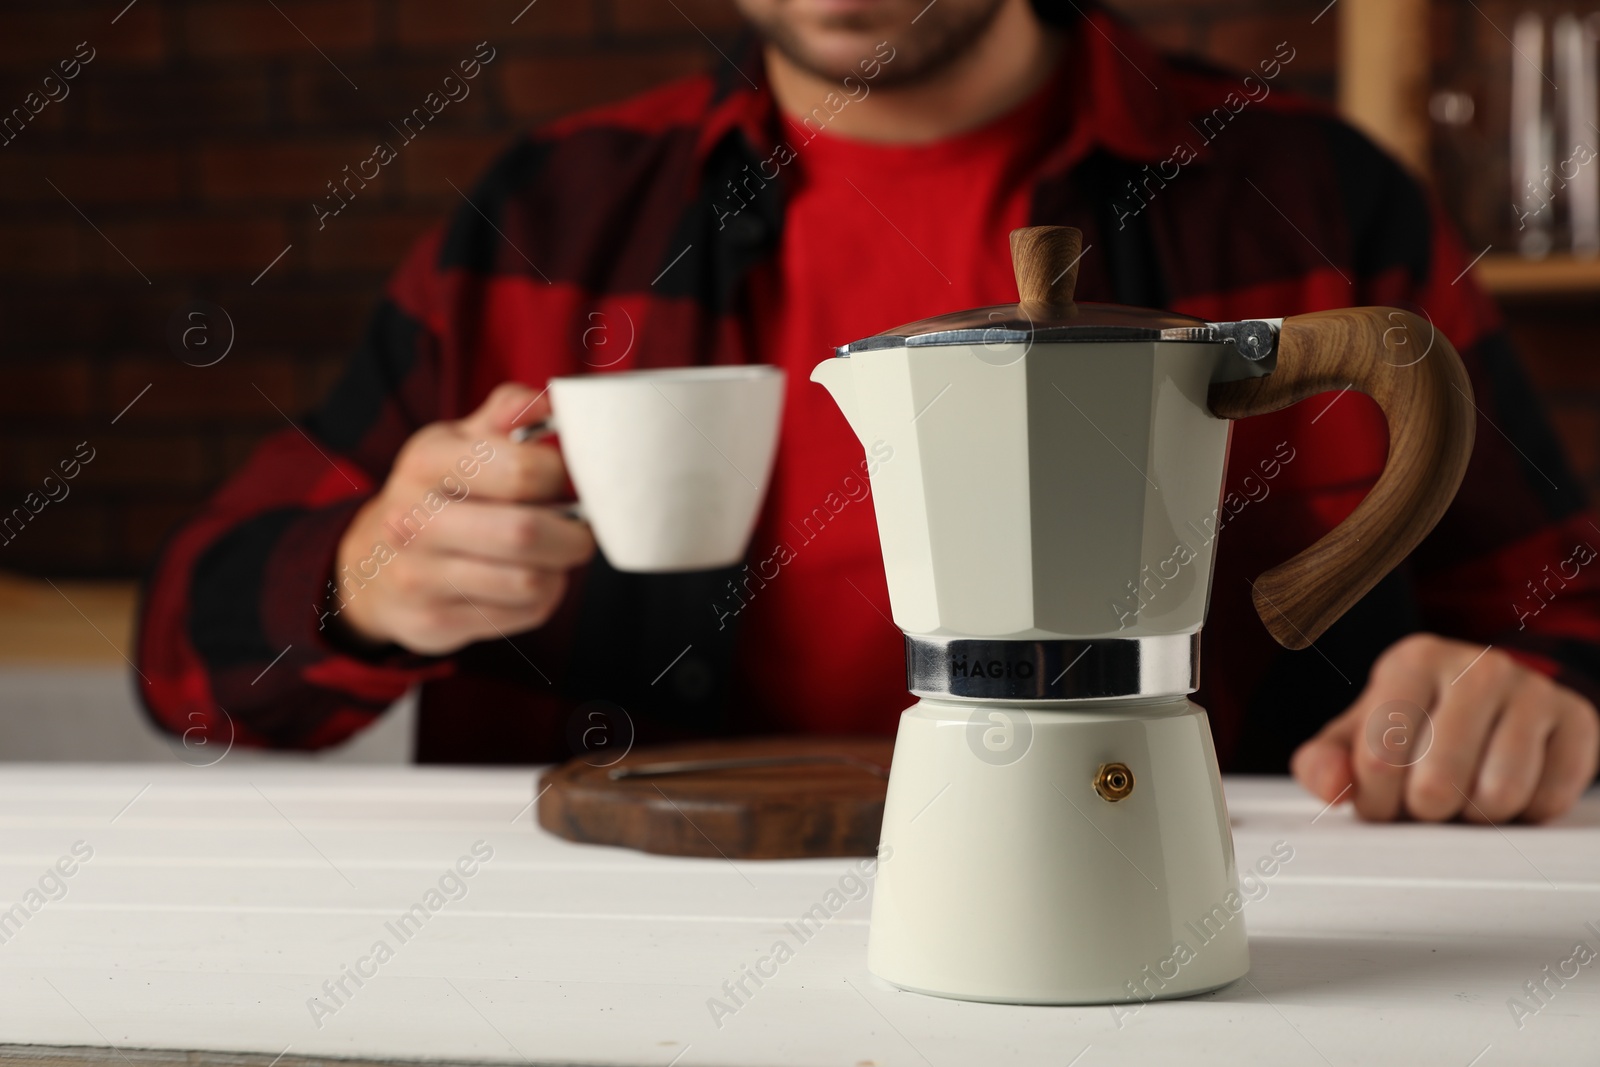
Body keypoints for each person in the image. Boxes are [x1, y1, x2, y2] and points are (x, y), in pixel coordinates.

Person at [138, 0, 1600, 823]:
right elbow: (184, 652)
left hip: (1192, 921)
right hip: (620, 949)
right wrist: (362, 582)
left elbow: (1568, 608)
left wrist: (1537, 705)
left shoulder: (1310, 197)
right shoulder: (550, 218)